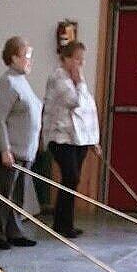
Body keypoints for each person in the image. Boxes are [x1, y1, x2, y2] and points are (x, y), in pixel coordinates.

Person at [41, 41, 101, 238]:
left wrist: (93, 140)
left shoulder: (76, 81)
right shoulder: (58, 78)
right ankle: (61, 223)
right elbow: (76, 102)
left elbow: (88, 110)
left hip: (78, 139)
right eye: (76, 59)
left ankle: (65, 222)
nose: (80, 64)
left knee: (73, 180)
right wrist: (80, 82)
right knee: (71, 176)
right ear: (65, 59)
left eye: (82, 59)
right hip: (60, 137)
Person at [0, 37, 43, 250]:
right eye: (26, 56)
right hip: (10, 151)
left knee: (17, 196)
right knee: (3, 196)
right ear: (13, 58)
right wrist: (5, 149)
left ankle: (14, 231)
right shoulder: (8, 82)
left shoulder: (22, 81)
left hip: (25, 152)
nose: (30, 61)